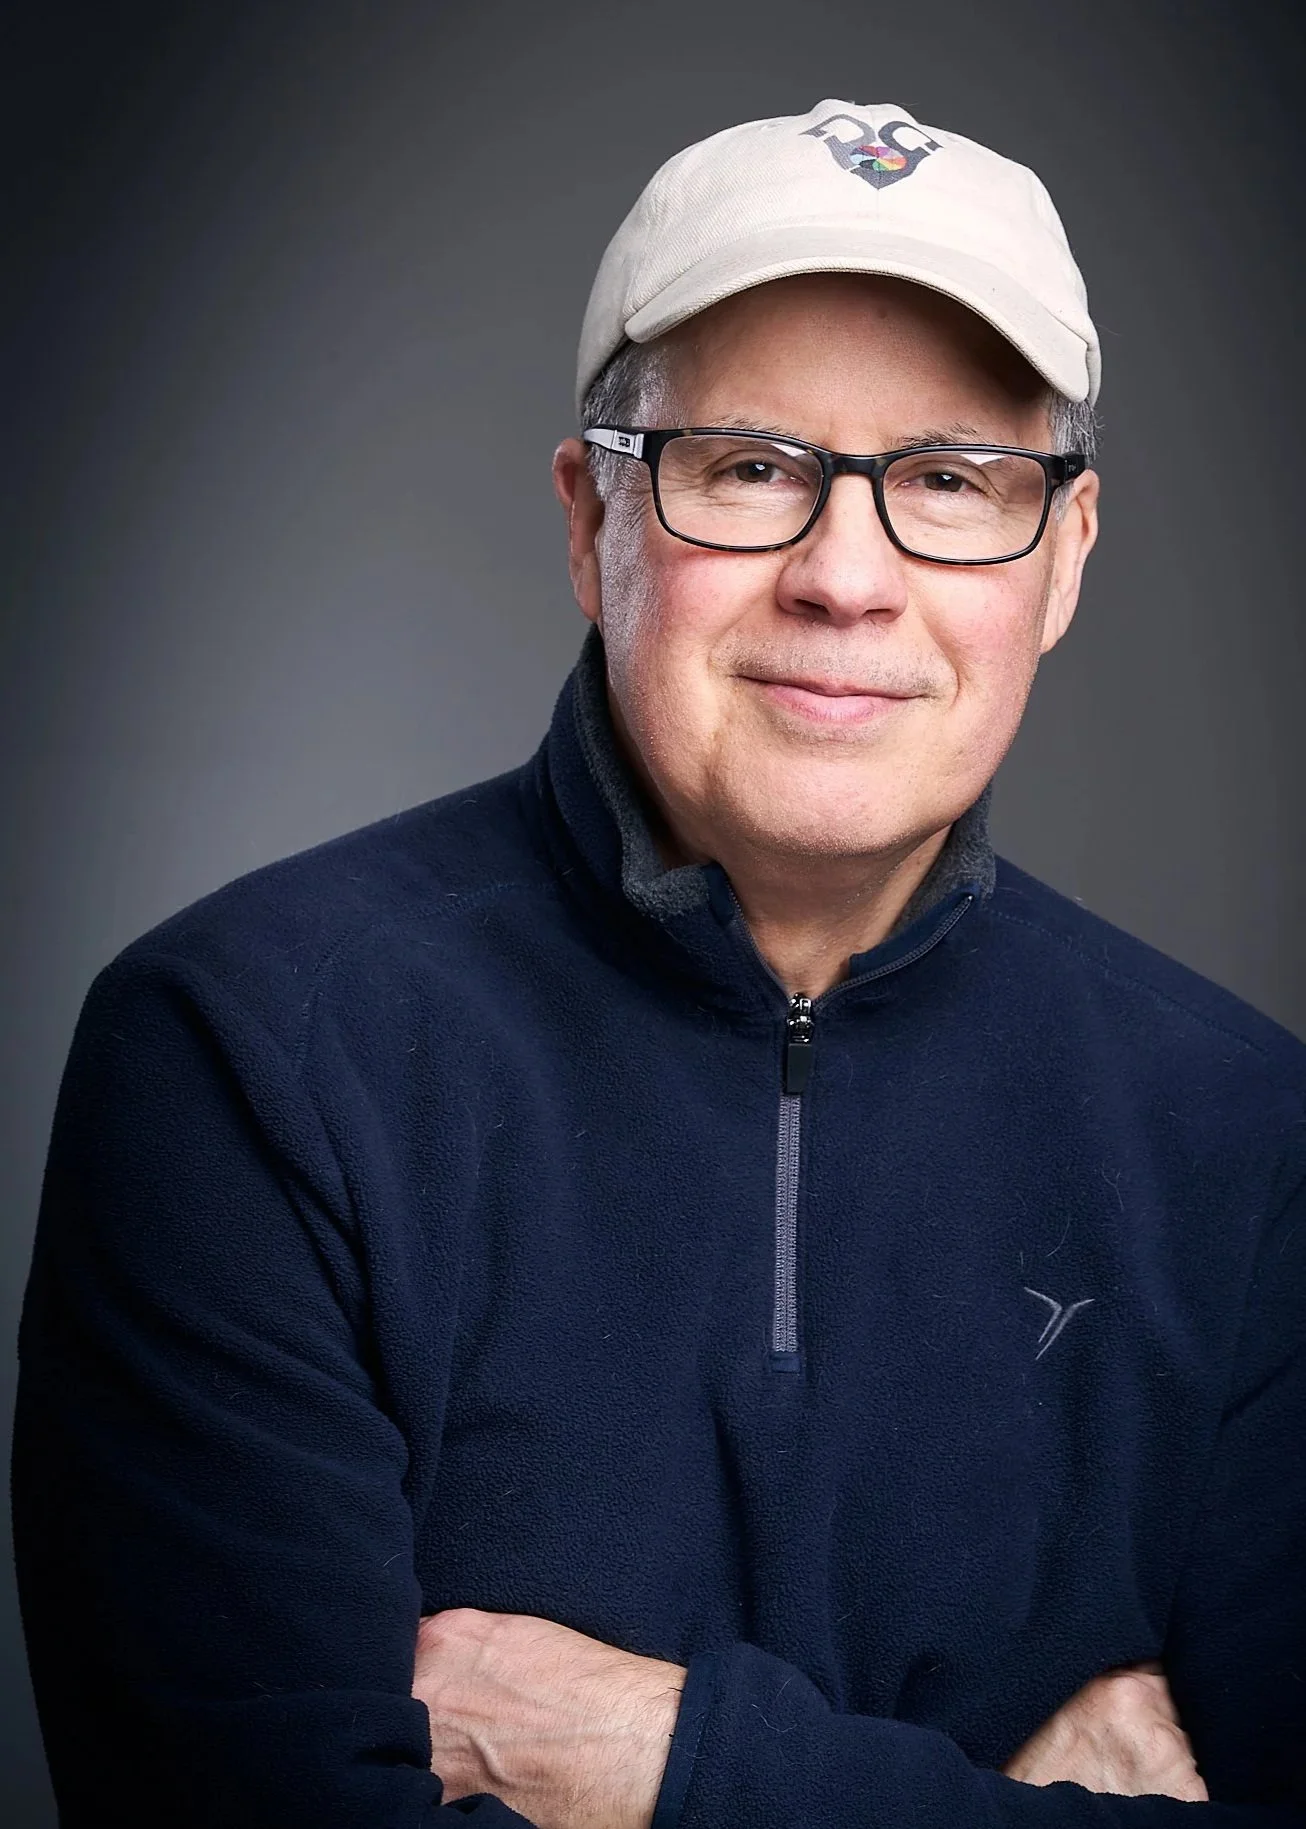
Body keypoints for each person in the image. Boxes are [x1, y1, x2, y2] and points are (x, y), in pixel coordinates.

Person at [12, 97, 1304, 1829]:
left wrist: (674, 1768)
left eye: (948, 480)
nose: (847, 577)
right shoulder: (246, 1054)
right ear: (589, 523)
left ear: (1061, 562)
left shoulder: (1245, 1140)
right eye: (751, 468)